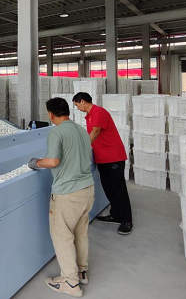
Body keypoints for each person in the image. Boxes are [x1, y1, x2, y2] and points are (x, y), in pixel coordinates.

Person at [28, 97, 95, 297]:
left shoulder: (56, 132)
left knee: (62, 236)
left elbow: (53, 161)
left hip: (68, 193)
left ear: (50, 114)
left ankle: (70, 282)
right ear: (68, 111)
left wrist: (36, 163)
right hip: (87, 189)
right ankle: (82, 271)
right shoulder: (81, 130)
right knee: (80, 232)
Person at [73, 92, 133, 236]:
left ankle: (127, 220)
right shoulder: (89, 115)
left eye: (77, 105)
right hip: (102, 158)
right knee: (108, 187)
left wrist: (82, 149)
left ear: (82, 101)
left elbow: (96, 131)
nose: (77, 108)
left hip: (113, 156)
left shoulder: (98, 111)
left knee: (119, 188)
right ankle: (116, 215)